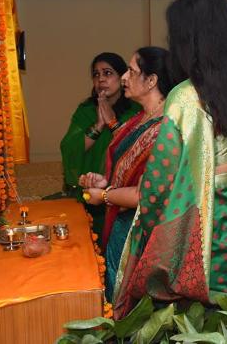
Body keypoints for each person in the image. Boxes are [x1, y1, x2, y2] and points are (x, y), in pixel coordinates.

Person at [112, 0, 227, 319]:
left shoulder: (187, 97)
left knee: (201, 329)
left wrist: (151, 229)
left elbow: (158, 186)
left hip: (205, 253)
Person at [78, 47, 172, 301]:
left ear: (152, 81)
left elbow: (146, 194)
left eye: (131, 71)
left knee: (131, 309)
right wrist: (105, 182)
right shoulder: (140, 119)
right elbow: (126, 171)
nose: (123, 78)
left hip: (140, 235)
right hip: (122, 226)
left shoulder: (166, 127)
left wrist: (105, 195)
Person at [60, 52, 141, 236]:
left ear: (122, 77)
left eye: (107, 73)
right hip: (89, 192)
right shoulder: (86, 111)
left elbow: (134, 149)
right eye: (96, 74)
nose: (101, 79)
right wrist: (98, 124)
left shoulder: (136, 111)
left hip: (123, 199)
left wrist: (112, 122)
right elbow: (70, 148)